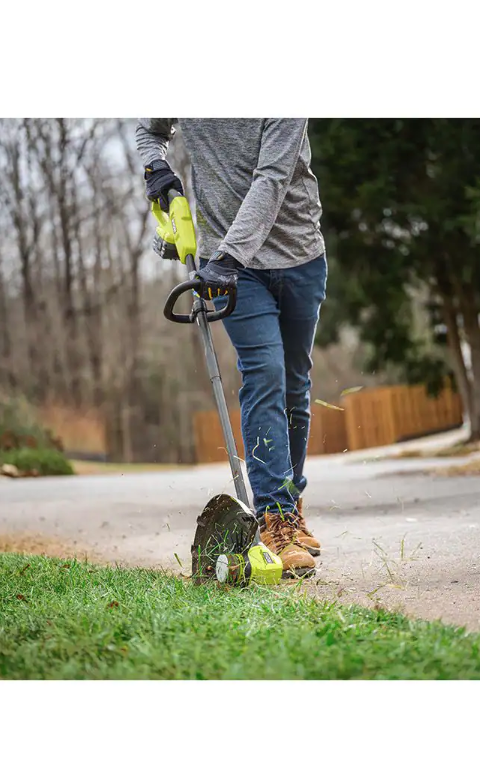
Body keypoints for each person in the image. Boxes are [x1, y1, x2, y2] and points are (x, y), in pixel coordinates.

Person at [136, 118, 327, 578]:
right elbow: (149, 130)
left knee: (295, 384)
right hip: (233, 269)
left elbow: (272, 178)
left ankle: (290, 502)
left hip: (297, 254)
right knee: (265, 372)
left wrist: (227, 256)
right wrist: (156, 168)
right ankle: (275, 519)